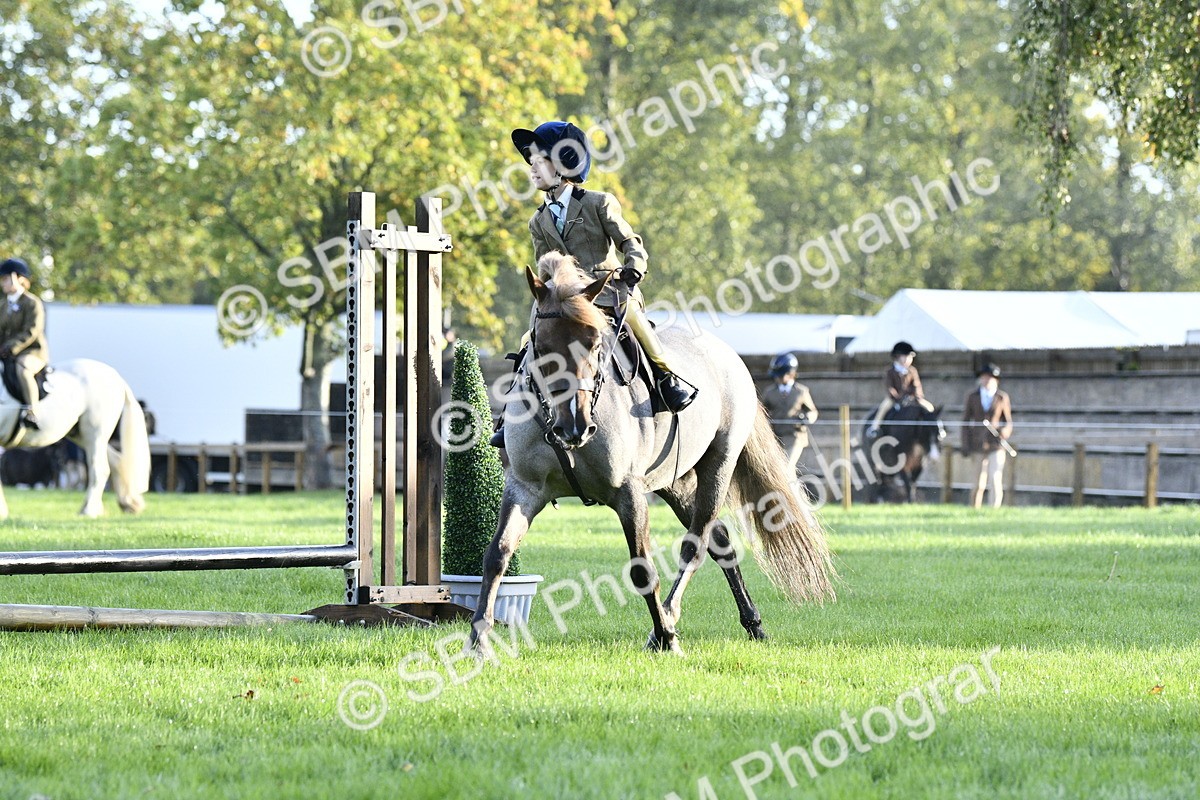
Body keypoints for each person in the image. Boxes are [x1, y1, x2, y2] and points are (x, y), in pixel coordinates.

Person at [491, 121, 696, 447]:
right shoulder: (538, 220)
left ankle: (666, 377)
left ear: (561, 165)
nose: (531, 171)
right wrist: (544, 294)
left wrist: (634, 269)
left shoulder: (598, 202)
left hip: (610, 290)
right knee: (529, 337)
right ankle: (511, 412)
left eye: (538, 163)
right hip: (566, 300)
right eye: (529, 164)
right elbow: (545, 267)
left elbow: (631, 242)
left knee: (633, 318)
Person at [0, 258, 48, 430]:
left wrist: (11, 346)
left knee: (23, 369)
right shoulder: (3, 304)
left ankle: (32, 412)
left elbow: (31, 330)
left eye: (6, 279)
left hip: (31, 352)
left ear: (18, 278)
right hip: (7, 352)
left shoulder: (32, 302)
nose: (3, 283)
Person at [961, 362, 1013, 508]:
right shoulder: (972, 396)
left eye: (989, 378)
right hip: (977, 444)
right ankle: (974, 508)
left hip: (995, 444)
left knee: (995, 478)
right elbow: (965, 421)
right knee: (978, 481)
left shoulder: (1002, 397)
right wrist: (965, 444)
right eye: (984, 377)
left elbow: (1008, 422)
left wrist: (1004, 432)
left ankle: (994, 509)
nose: (986, 380)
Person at [759, 352, 819, 471]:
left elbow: (813, 411)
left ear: (790, 374)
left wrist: (807, 417)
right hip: (775, 436)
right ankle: (793, 489)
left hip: (795, 436)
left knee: (786, 467)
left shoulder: (801, 391)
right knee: (779, 470)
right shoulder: (770, 392)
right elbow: (761, 411)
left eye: (781, 375)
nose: (778, 378)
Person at [866, 341, 935, 439]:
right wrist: (897, 397)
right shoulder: (890, 371)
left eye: (910, 357)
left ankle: (935, 427)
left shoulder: (912, 371)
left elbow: (917, 385)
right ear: (898, 356)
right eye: (906, 356)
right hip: (895, 399)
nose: (909, 359)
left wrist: (915, 396)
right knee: (884, 407)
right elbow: (890, 387)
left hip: (911, 398)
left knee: (929, 407)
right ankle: (874, 428)